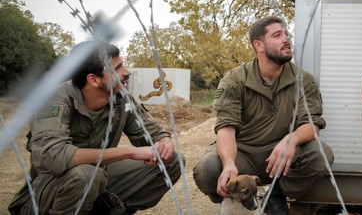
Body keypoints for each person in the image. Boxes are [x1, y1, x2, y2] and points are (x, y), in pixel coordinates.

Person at [8, 41, 183, 215]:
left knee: (172, 161)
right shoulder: (53, 100)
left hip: (97, 179)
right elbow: (53, 156)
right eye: (118, 68)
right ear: (93, 79)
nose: (127, 72)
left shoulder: (121, 100)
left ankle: (110, 210)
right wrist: (130, 152)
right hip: (45, 195)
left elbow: (156, 134)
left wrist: (165, 144)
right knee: (87, 174)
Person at [192, 16, 334, 215]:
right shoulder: (234, 79)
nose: (286, 39)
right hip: (242, 152)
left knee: (321, 155)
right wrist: (229, 164)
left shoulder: (304, 80)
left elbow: (312, 124)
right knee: (208, 170)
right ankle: (234, 200)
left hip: (280, 153)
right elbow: (226, 127)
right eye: (277, 35)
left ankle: (275, 194)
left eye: (286, 34)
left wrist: (291, 139)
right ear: (258, 45)